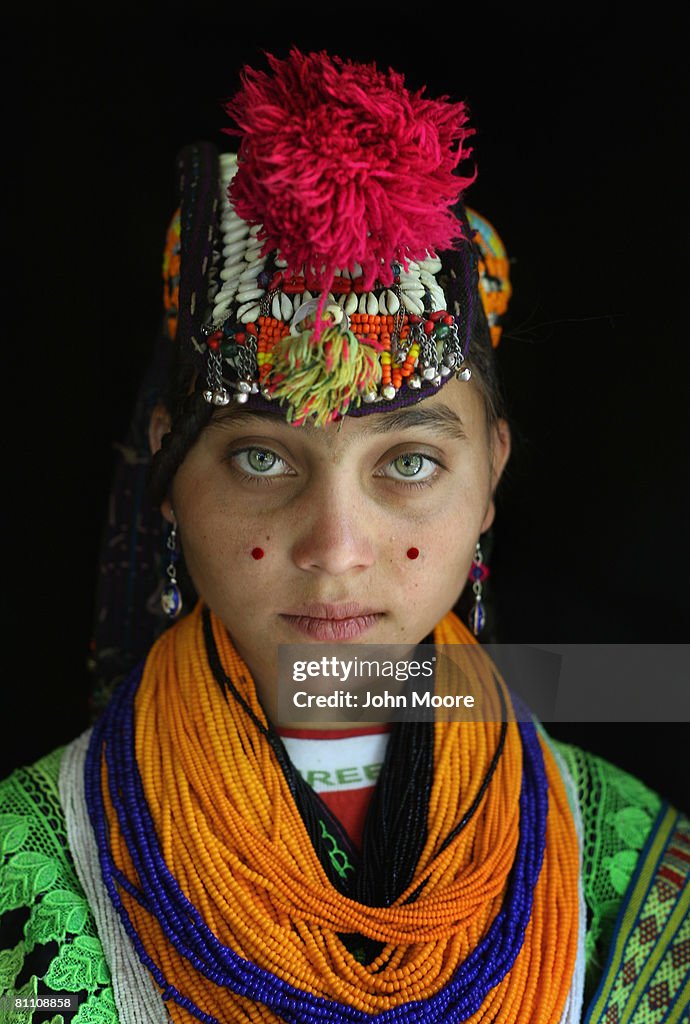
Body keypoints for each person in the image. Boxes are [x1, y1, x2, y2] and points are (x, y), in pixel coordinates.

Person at [0, 48, 687, 1024]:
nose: (335, 546)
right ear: (169, 470)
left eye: (406, 462)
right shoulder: (28, 871)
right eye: (262, 459)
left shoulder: (634, 871)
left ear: (490, 473)